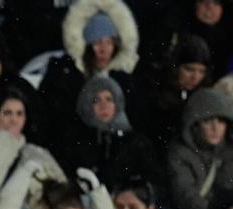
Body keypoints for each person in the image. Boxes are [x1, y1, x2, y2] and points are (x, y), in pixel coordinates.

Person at [38, 0, 139, 129]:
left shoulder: (125, 77)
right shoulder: (68, 74)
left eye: (109, 42)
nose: (103, 49)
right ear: (87, 46)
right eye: (97, 42)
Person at [54, 76, 161, 194]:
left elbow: (155, 183)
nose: (103, 106)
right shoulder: (74, 141)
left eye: (109, 99)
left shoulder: (136, 143)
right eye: (96, 100)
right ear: (87, 105)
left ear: (117, 103)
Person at [129, 34, 212, 154]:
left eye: (201, 71)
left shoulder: (205, 98)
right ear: (176, 67)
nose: (195, 77)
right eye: (189, 69)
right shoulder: (154, 94)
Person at [168, 87, 233, 209]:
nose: (215, 128)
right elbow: (186, 197)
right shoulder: (180, 152)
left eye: (221, 121)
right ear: (195, 124)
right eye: (208, 121)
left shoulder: (229, 150)